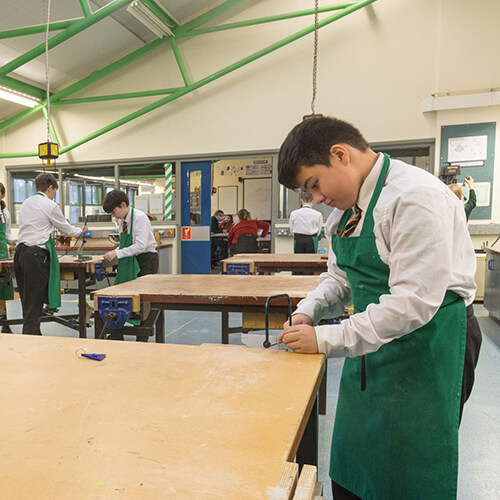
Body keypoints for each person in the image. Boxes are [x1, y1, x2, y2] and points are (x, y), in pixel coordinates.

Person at [277, 116, 482, 499]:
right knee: (358, 456)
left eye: (314, 185)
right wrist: (310, 311)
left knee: (410, 465)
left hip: (429, 342)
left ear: (340, 155)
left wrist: (324, 338)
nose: (317, 199)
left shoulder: (414, 197)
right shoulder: (344, 213)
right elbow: (339, 279)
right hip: (372, 341)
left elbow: (412, 304)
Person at [14, 173, 86, 335]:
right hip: (35, 255)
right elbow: (66, 229)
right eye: (55, 191)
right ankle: (30, 342)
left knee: (27, 301)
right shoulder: (49, 205)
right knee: (34, 302)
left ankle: (33, 335)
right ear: (50, 188)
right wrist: (81, 231)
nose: (54, 195)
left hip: (20, 254)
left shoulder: (26, 202)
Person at [102, 189, 158, 341]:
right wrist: (113, 252)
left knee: (142, 301)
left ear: (123, 204)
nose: (114, 216)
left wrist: (118, 254)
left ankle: (142, 337)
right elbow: (124, 244)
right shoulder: (121, 220)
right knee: (122, 296)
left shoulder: (140, 218)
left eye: (114, 212)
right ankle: (116, 334)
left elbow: (140, 245)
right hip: (129, 260)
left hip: (146, 259)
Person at [0, 182, 14, 333]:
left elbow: (7, 234)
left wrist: (14, 241)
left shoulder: (5, 213)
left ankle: (5, 322)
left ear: (2, 195)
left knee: (2, 288)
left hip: (2, 253)